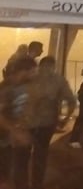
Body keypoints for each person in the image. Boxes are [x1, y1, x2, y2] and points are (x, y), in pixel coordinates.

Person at [16, 57, 76, 189]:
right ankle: (37, 184)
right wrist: (64, 119)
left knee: (22, 156)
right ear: (53, 66)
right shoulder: (59, 80)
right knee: (40, 155)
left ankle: (22, 184)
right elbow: (71, 101)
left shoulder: (27, 78)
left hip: (25, 123)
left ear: (40, 65)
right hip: (47, 124)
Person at [0, 58, 36, 189]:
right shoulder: (6, 88)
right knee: (4, 178)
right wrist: (14, 131)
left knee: (18, 173)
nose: (35, 74)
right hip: (3, 140)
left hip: (14, 141)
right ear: (23, 71)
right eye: (32, 71)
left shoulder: (25, 87)